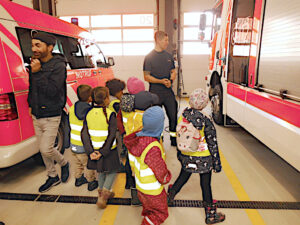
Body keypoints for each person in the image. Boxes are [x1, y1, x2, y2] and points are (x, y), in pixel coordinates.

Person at [167, 88, 225, 224]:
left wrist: (180, 155)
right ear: (205, 104)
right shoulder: (206, 121)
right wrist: (217, 164)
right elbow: (213, 144)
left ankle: (170, 196)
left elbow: (178, 136)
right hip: (204, 158)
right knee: (205, 185)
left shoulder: (183, 115)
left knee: (183, 176)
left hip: (187, 155)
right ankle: (210, 214)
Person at [28, 32, 69, 193]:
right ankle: (52, 176)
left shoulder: (59, 66)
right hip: (36, 113)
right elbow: (33, 87)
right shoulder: (35, 62)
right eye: (32, 45)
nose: (34, 48)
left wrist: (37, 73)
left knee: (46, 149)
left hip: (52, 114)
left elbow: (52, 91)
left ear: (50, 47)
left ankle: (64, 163)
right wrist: (30, 104)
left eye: (38, 45)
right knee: (43, 150)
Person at [124, 106, 171, 225]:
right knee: (160, 213)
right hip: (152, 189)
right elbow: (160, 171)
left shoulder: (136, 140)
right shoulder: (152, 147)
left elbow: (132, 164)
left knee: (149, 208)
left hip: (140, 186)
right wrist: (166, 177)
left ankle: (149, 217)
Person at [81, 87, 122, 209]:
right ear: (106, 99)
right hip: (109, 151)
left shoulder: (88, 113)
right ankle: (104, 196)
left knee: (102, 171)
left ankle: (101, 193)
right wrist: (103, 152)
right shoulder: (110, 114)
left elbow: (84, 134)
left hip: (94, 150)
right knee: (112, 171)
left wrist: (90, 152)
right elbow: (111, 135)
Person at [143, 30, 178, 146]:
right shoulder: (149, 57)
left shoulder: (168, 57)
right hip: (155, 94)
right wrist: (160, 81)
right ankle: (158, 140)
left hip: (168, 92)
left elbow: (173, 71)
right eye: (165, 40)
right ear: (158, 40)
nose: (167, 42)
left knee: (173, 116)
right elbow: (146, 77)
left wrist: (171, 80)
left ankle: (174, 140)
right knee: (157, 118)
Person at [69, 84, 98, 191]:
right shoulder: (90, 111)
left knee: (77, 163)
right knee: (88, 164)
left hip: (73, 142)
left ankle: (78, 178)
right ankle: (91, 182)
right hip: (83, 144)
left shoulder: (72, 108)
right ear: (90, 97)